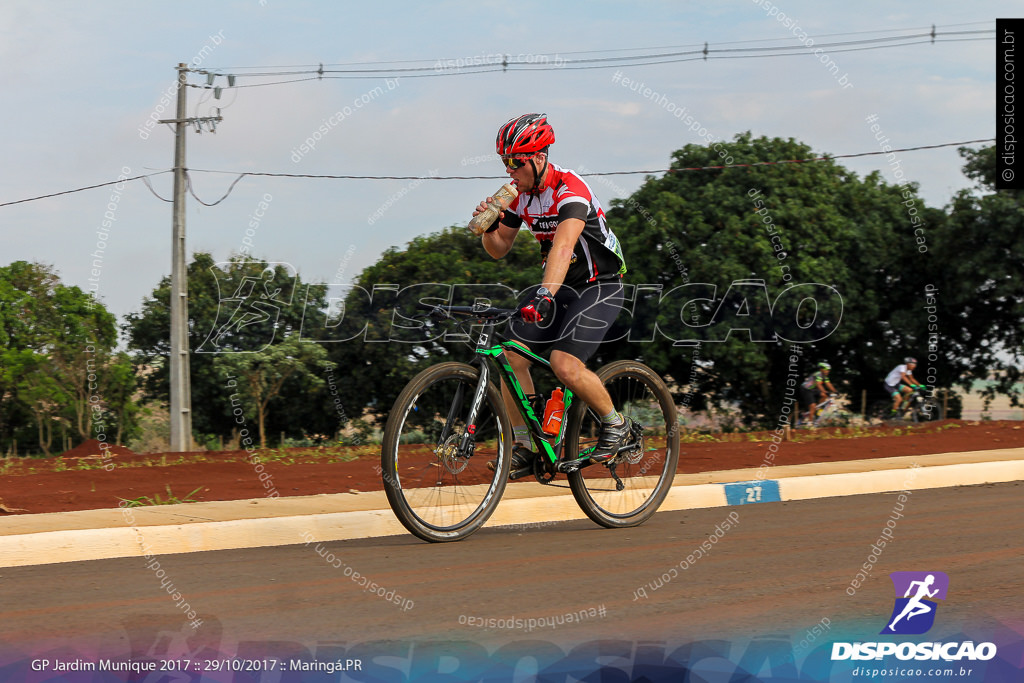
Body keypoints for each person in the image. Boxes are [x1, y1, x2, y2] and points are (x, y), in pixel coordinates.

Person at [473, 113, 631, 478]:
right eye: (504, 162)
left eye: (516, 162)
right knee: (510, 357)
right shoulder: (520, 196)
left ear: (539, 158)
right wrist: (489, 225)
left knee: (564, 364)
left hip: (600, 285)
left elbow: (562, 248)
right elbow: (499, 248)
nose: (510, 170)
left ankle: (616, 424)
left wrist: (544, 293)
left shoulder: (570, 191)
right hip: (560, 287)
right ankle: (525, 448)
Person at [799, 361, 837, 426]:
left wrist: (836, 391)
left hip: (813, 389)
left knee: (824, 395)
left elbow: (828, 384)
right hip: (806, 389)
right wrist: (826, 391)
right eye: (826, 369)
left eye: (828, 370)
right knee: (813, 406)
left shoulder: (824, 376)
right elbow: (819, 385)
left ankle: (818, 409)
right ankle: (810, 423)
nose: (827, 371)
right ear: (821, 369)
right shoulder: (818, 374)